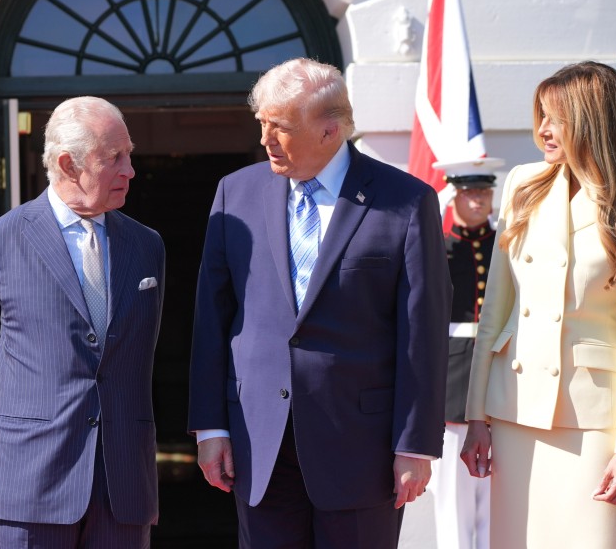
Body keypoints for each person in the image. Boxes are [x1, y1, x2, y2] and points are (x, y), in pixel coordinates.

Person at [188, 58, 452, 549]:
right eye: (262, 124)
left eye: (280, 127)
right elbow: (212, 318)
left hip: (361, 448)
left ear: (331, 130)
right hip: (258, 441)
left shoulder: (406, 201)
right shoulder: (235, 193)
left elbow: (423, 332)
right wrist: (210, 426)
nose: (266, 138)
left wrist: (415, 444)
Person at [460, 61, 616, 548]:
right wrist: (477, 416)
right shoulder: (522, 184)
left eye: (554, 117)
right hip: (513, 409)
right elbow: (495, 309)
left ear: (592, 120)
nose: (541, 129)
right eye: (540, 115)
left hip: (596, 421)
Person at [0, 96, 166, 548]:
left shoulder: (147, 246)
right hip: (29, 482)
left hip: (123, 484)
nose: (130, 169)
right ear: (69, 164)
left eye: (129, 154)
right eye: (115, 158)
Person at [427, 157, 504, 549]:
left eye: (484, 191)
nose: (478, 200)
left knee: (499, 497)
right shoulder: (438, 248)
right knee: (454, 495)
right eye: (469, 192)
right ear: (454, 195)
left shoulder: (507, 244)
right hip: (455, 375)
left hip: (502, 372)